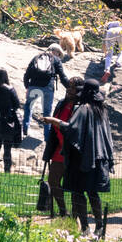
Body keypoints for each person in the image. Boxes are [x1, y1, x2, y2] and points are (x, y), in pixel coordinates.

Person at [62, 79, 114, 238]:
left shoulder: (84, 109)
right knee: (92, 192)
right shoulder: (102, 109)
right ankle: (100, 226)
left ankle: (85, 228)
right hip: (98, 157)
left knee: (78, 192)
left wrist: (54, 122)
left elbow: (71, 128)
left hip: (82, 158)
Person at [40, 75, 84, 217]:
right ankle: (63, 211)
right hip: (59, 148)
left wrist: (53, 121)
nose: (69, 89)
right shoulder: (62, 103)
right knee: (53, 180)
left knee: (73, 185)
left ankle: (76, 215)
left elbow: (73, 128)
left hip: (73, 150)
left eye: (72, 87)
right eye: (68, 86)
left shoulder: (81, 107)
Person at [22, 44, 69, 141]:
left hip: (33, 86)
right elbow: (63, 77)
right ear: (56, 51)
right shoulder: (56, 60)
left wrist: (28, 87)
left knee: (28, 106)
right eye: (59, 53)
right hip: (48, 88)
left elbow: (27, 74)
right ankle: (47, 137)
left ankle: (25, 129)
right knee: (47, 112)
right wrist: (70, 88)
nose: (59, 56)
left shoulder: (37, 57)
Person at [101, 17, 122, 82]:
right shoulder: (120, 22)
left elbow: (104, 41)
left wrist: (105, 53)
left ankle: (107, 69)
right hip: (121, 31)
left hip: (110, 32)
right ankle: (118, 62)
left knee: (109, 53)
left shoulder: (107, 24)